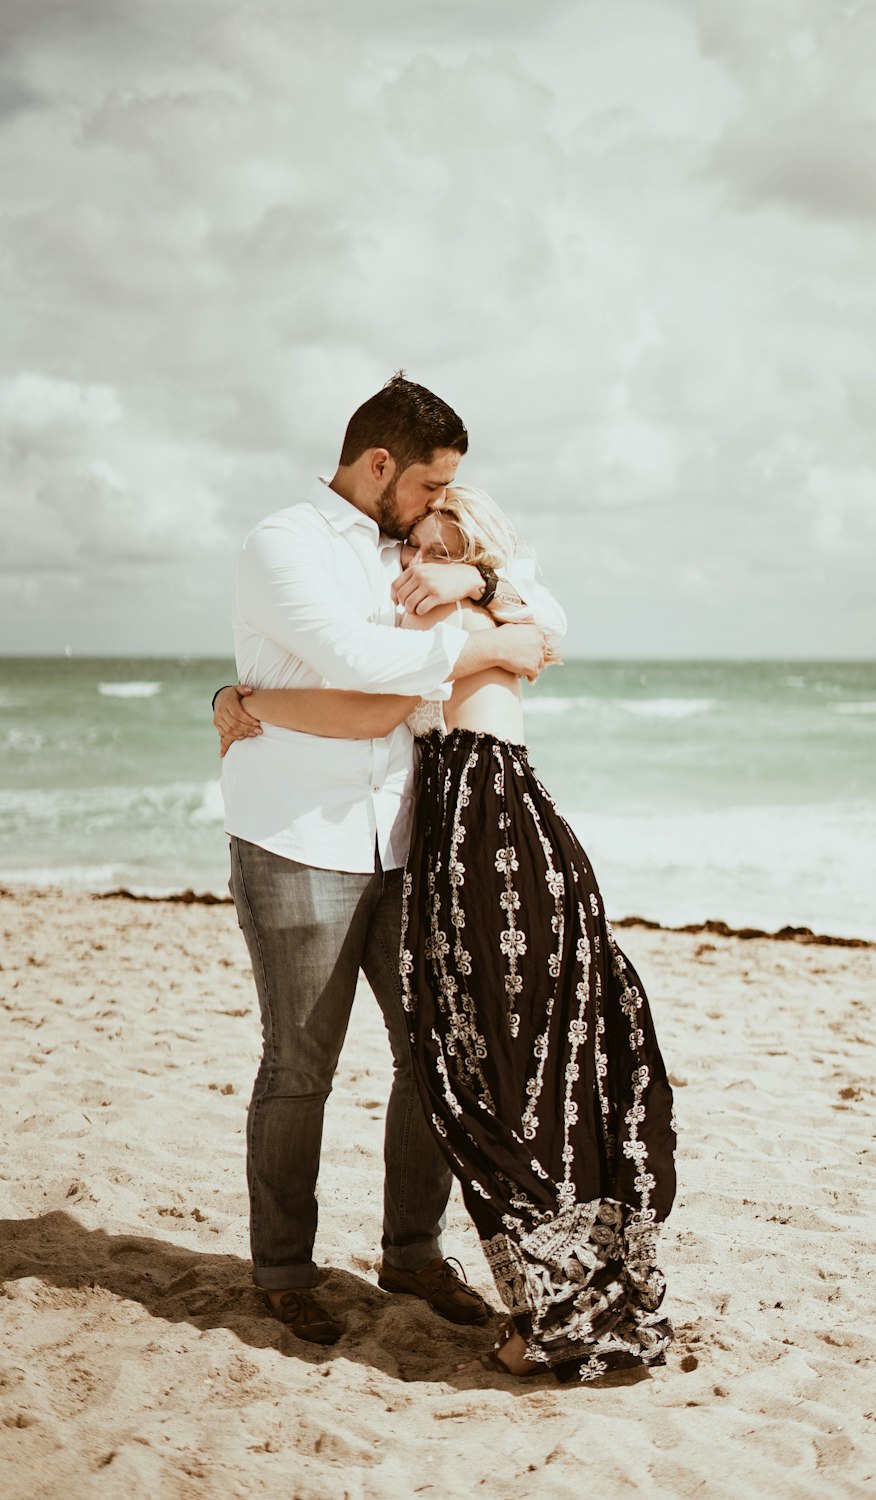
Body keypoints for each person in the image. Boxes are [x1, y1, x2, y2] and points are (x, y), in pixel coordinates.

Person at [215, 484, 676, 1382]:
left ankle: (507, 1283)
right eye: (410, 548)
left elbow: (388, 705)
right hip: (474, 845)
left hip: (487, 854)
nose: (410, 565)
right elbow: (497, 650)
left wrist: (249, 699)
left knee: (488, 1077)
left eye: (432, 546)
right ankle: (518, 1283)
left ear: (468, 551)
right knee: (475, 1069)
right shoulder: (459, 616)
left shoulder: (470, 614)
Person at [218, 374, 566, 1345]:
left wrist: (481, 587)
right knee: (299, 1066)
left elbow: (553, 616)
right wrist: (503, 640)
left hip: (417, 839)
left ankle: (411, 1253)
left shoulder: (431, 543)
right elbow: (364, 669)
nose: (436, 506)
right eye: (427, 485)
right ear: (379, 465)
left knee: (432, 1060)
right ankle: (283, 1268)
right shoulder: (281, 543)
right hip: (297, 836)